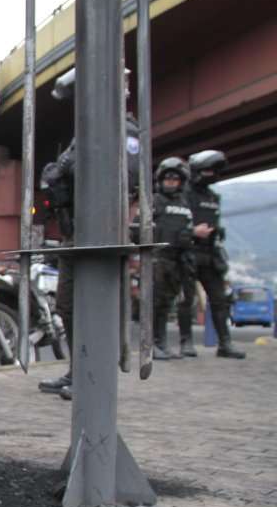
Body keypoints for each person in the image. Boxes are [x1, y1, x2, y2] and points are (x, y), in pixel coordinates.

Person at [37, 67, 141, 399]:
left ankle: (97, 376)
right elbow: (56, 176)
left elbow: (126, 175)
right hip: (74, 233)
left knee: (100, 304)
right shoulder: (84, 133)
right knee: (68, 305)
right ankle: (79, 369)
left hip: (102, 233)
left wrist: (72, 166)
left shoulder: (123, 129)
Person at [176, 150, 245, 359]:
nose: (210, 174)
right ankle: (186, 343)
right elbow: (173, 226)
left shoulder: (213, 197)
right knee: (186, 300)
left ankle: (225, 343)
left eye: (213, 171)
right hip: (189, 252)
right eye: (206, 170)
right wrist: (192, 231)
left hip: (210, 254)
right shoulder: (183, 194)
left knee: (219, 300)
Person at [146, 158, 195, 360]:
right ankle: (152, 345)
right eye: (168, 179)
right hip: (158, 258)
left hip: (177, 260)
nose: (171, 182)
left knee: (167, 304)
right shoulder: (154, 201)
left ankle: (162, 344)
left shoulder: (184, 204)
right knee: (154, 303)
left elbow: (188, 231)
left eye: (175, 179)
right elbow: (139, 226)